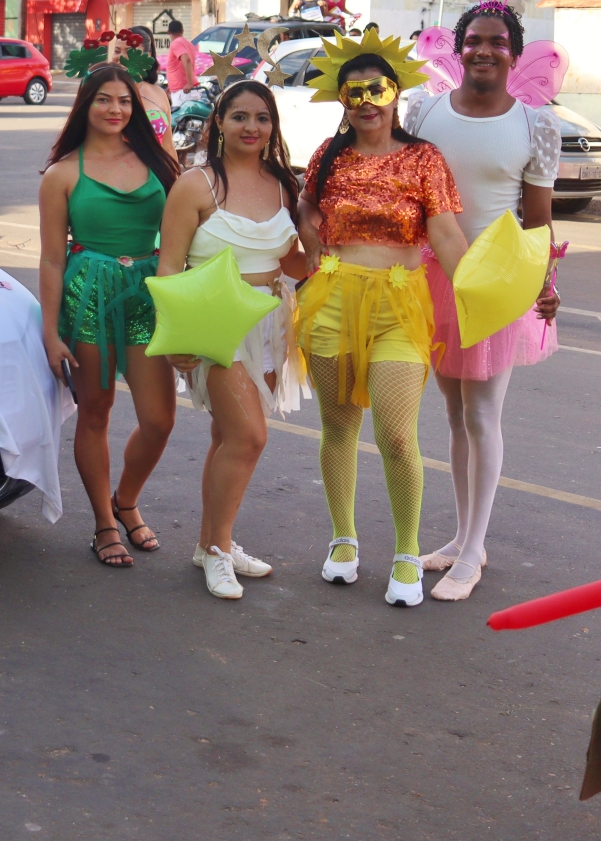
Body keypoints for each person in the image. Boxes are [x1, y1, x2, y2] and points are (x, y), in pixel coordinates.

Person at [294, 30, 469, 607]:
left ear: (397, 93)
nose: (366, 101)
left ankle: (406, 551)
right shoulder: (329, 154)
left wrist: (481, 294)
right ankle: (343, 540)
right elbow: (306, 205)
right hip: (332, 299)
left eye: (377, 89)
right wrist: (310, 239)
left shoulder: (424, 159)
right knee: (339, 424)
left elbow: (445, 234)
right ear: (341, 100)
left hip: (398, 306)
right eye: (354, 92)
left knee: (396, 434)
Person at [400, 1, 561, 602]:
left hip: (496, 281)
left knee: (483, 413)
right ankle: (462, 538)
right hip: (431, 276)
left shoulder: (535, 125)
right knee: (453, 413)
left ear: (513, 54)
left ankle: (472, 552)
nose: (483, 50)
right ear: (458, 48)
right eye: (473, 40)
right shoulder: (424, 110)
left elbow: (537, 221)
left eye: (496, 42)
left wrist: (546, 283)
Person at [155, 80, 308, 598]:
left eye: (262, 118)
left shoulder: (283, 184)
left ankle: (211, 543)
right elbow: (169, 266)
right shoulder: (195, 184)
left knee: (227, 436)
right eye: (240, 116)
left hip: (270, 322)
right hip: (212, 323)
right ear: (219, 122)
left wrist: (325, 241)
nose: (251, 127)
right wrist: (175, 337)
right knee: (248, 437)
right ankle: (219, 551)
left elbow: (290, 261)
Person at [39, 63, 180, 568]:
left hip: (147, 296)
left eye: (124, 100)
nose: (115, 109)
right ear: (85, 105)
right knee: (95, 413)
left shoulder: (159, 161)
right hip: (88, 297)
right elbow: (51, 259)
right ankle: (104, 522)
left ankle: (126, 499)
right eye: (103, 99)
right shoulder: (61, 174)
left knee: (159, 420)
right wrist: (50, 331)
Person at [115, 26, 178, 160]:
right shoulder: (101, 94)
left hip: (157, 171)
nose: (121, 57)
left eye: (129, 51)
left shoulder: (158, 94)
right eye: (117, 51)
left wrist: (175, 172)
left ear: (147, 56)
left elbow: (168, 147)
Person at [164, 20, 200, 107]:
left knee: (179, 116)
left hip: (183, 91)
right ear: (182, 31)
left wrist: (189, 83)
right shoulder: (188, 44)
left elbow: (186, 60)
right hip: (185, 90)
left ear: (168, 32)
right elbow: (179, 66)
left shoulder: (176, 43)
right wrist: (170, 86)